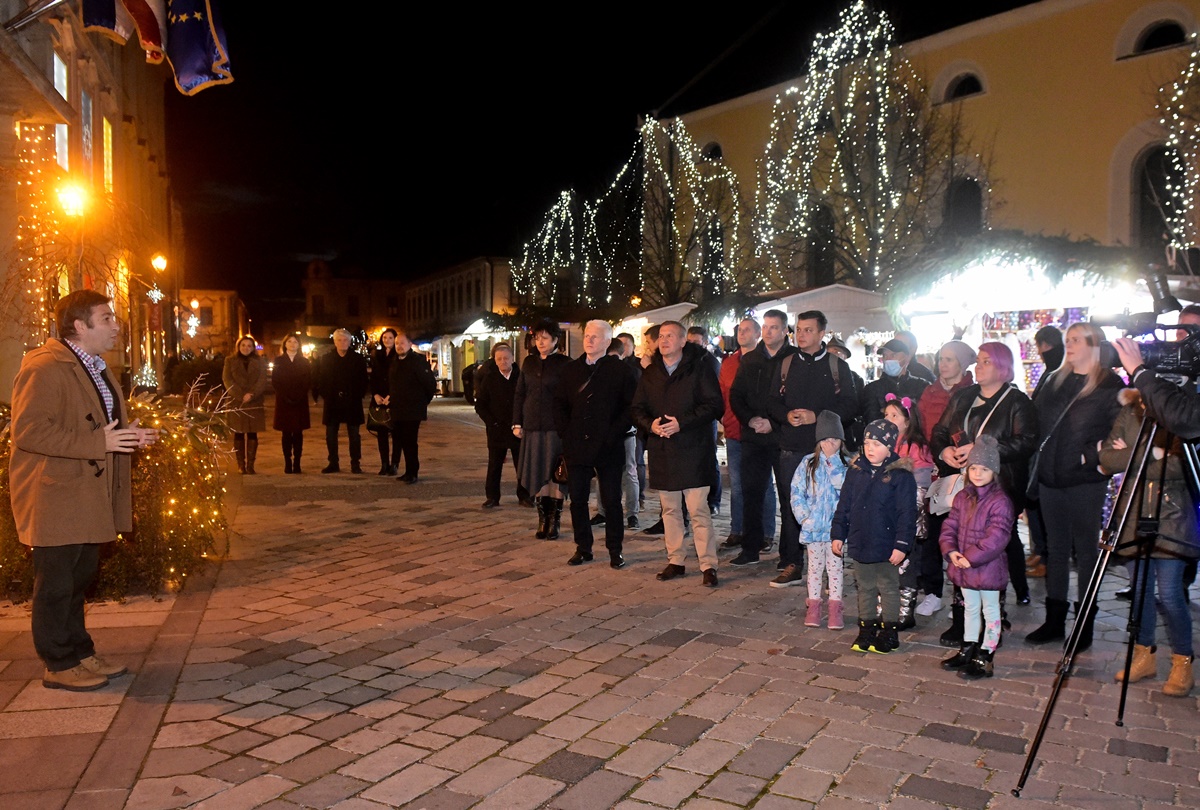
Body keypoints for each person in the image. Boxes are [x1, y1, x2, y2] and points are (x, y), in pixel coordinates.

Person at [10, 289, 158, 690]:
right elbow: (29, 431)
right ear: (80, 325)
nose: (116, 325)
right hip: (55, 494)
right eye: (107, 318)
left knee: (80, 578)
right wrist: (101, 444)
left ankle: (79, 652)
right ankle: (58, 663)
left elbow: (97, 422)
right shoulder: (45, 365)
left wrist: (128, 435)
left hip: (85, 493)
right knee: (57, 583)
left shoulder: (94, 365)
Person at [931, 342, 1037, 647]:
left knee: (993, 546)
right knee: (961, 540)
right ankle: (962, 616)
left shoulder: (1017, 402)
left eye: (986, 361)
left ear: (1003, 366)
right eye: (977, 361)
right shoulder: (963, 396)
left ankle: (994, 615)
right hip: (963, 484)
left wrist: (983, 452)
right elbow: (939, 430)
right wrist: (944, 450)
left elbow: (1027, 441)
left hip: (999, 484)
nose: (979, 367)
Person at [1026, 322, 1123, 650]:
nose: (1069, 345)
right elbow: (1036, 423)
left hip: (1085, 481)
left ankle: (1084, 625)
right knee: (1055, 549)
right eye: (1068, 340)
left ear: (1094, 345)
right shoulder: (1054, 379)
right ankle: (1054, 620)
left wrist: (1088, 457)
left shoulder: (1110, 383)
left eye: (1077, 340)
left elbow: (1120, 434)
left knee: (1085, 553)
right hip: (1051, 479)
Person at [1098, 385, 1195, 697]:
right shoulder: (1131, 409)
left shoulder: (1186, 410)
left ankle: (1182, 663)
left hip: (1173, 514)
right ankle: (1144, 655)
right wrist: (1152, 453)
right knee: (1139, 590)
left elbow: (1184, 466)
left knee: (1169, 594)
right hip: (1133, 511)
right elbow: (1107, 459)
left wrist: (1134, 456)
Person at [765, 310, 858, 587]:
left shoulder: (836, 366)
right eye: (798, 330)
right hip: (791, 448)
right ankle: (792, 562)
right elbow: (771, 402)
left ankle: (831, 562)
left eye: (808, 330)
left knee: (830, 504)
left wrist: (817, 416)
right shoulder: (786, 364)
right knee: (792, 504)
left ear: (821, 334)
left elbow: (851, 405)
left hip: (825, 450)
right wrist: (786, 416)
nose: (801, 335)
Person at [632, 322, 724, 587]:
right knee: (670, 510)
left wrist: (681, 423)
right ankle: (676, 560)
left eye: (670, 336)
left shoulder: (700, 367)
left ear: (683, 341)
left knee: (697, 510)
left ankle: (708, 564)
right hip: (663, 450)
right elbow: (637, 408)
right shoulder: (651, 373)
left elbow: (714, 405)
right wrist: (650, 424)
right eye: (660, 336)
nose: (664, 340)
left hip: (693, 449)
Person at [555, 320, 637, 568]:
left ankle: (615, 549)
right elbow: (558, 406)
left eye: (595, 337)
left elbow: (630, 408)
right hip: (577, 444)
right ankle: (583, 547)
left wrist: (612, 434)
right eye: (587, 335)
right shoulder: (571, 370)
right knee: (577, 499)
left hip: (609, 445)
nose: (589, 340)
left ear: (607, 341)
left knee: (611, 500)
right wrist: (567, 434)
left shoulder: (621, 371)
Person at [831, 418, 916, 654]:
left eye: (877, 444)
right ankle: (866, 628)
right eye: (867, 442)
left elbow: (907, 513)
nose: (870, 448)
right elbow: (844, 505)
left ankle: (889, 632)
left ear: (890, 447)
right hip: (860, 540)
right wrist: (839, 532)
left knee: (888, 587)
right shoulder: (856, 472)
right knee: (865, 587)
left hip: (886, 543)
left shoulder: (900, 476)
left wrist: (901, 544)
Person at [938, 435, 1012, 680]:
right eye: (974, 468)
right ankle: (968, 648)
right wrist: (951, 551)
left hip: (987, 567)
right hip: (964, 566)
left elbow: (998, 536)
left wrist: (970, 556)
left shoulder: (1000, 501)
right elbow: (950, 526)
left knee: (990, 611)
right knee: (970, 608)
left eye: (984, 468)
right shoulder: (962, 497)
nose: (978, 473)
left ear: (994, 471)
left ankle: (986, 655)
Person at [912, 340, 976, 617]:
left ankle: (961, 596)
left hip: (966, 469)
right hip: (937, 469)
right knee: (933, 533)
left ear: (962, 364)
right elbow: (925, 428)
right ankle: (933, 592)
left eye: (950, 359)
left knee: (965, 534)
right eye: (941, 358)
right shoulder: (930, 391)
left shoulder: (972, 391)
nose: (943, 363)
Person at [729, 309, 796, 566]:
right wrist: (750, 419)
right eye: (766, 326)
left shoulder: (794, 358)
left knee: (787, 496)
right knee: (751, 493)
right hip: (753, 437)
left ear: (784, 331)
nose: (768, 331)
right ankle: (751, 547)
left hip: (783, 437)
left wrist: (774, 422)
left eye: (774, 327)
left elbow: (795, 399)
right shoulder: (751, 359)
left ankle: (788, 554)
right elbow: (737, 395)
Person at [719, 318, 777, 550]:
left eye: (747, 330)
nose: (742, 334)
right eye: (739, 330)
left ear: (757, 334)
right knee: (738, 485)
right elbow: (724, 394)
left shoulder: (765, 361)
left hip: (760, 432)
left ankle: (766, 533)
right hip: (734, 430)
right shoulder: (729, 363)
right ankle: (738, 530)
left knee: (763, 485)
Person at [790, 411, 849, 629]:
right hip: (814, 528)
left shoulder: (845, 464)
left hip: (835, 531)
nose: (829, 443)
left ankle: (835, 608)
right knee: (814, 569)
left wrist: (834, 461)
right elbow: (796, 492)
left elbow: (845, 489)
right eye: (825, 439)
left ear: (841, 441)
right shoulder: (808, 463)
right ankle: (813, 607)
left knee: (835, 570)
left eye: (834, 439)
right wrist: (805, 518)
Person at [514, 319, 571, 539]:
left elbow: (569, 397)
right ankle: (542, 519)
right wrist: (516, 422)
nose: (540, 342)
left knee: (555, 473)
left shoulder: (565, 363)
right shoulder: (528, 362)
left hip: (555, 427)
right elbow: (520, 393)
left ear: (556, 339)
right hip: (532, 426)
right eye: (537, 338)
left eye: (545, 338)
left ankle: (554, 521)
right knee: (537, 470)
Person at [883, 393, 934, 629]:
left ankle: (905, 610)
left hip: (908, 517)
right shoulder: (885, 444)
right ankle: (887, 606)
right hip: (888, 517)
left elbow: (921, 487)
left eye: (895, 415)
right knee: (888, 563)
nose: (889, 419)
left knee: (907, 563)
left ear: (907, 419)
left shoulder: (916, 447)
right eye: (886, 415)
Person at [1025, 324, 1065, 578]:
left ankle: (1048, 558)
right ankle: (1042, 551)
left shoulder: (1057, 371)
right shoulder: (1054, 370)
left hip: (1049, 449)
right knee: (1034, 502)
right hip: (1043, 446)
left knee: (1041, 504)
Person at [592, 336, 641, 528]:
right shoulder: (629, 371)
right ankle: (621, 513)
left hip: (618, 430)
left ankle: (621, 512)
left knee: (620, 471)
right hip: (617, 430)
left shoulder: (626, 372)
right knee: (621, 471)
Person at [475, 343, 531, 508]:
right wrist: (491, 422)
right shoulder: (490, 379)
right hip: (496, 429)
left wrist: (522, 422)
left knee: (521, 464)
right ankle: (492, 497)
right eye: (499, 359)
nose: (503, 361)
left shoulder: (521, 377)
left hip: (517, 428)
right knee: (494, 465)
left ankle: (524, 495)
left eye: (506, 358)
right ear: (495, 360)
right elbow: (480, 405)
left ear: (513, 359)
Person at [387, 330, 437, 483]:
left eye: (402, 343)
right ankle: (407, 471)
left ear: (410, 344)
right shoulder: (395, 360)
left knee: (410, 441)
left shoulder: (417, 361)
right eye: (396, 343)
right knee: (401, 440)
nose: (399, 346)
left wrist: (422, 402)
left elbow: (430, 384)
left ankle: (413, 472)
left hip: (412, 409)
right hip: (397, 409)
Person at [686, 325, 723, 516]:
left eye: (696, 341)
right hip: (688, 421)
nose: (691, 345)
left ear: (705, 342)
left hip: (706, 420)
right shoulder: (685, 361)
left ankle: (713, 500)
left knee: (710, 460)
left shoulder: (710, 363)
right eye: (689, 341)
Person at [223, 336, 268, 474]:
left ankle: (251, 465)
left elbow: (262, 379)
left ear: (253, 348)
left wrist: (252, 394)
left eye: (249, 345)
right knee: (239, 433)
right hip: (236, 401)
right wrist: (240, 394)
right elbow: (227, 379)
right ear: (239, 346)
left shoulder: (259, 361)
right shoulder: (230, 360)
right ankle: (240, 465)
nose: (246, 348)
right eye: (243, 345)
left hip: (254, 401)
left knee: (253, 433)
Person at [860, 337, 929, 425]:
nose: (888, 360)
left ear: (907, 358)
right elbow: (872, 420)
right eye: (885, 356)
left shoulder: (921, 385)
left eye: (893, 355)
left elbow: (923, 418)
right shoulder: (872, 389)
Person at [272, 334, 312, 474]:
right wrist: (285, 396)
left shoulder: (304, 361)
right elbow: (275, 381)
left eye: (295, 342)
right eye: (289, 341)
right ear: (285, 343)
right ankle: (287, 462)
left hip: (300, 402)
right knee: (286, 433)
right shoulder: (279, 361)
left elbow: (307, 381)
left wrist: (299, 396)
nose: (292, 344)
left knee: (298, 433)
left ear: (299, 344)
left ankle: (297, 462)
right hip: (284, 401)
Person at [369, 329, 402, 475]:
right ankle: (384, 464)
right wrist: (375, 393)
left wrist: (391, 395)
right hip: (379, 398)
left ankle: (395, 464)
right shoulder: (377, 355)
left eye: (390, 337)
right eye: (385, 337)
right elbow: (373, 377)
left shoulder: (399, 356)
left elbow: (400, 379)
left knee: (396, 433)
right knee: (381, 431)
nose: (387, 340)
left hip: (394, 398)